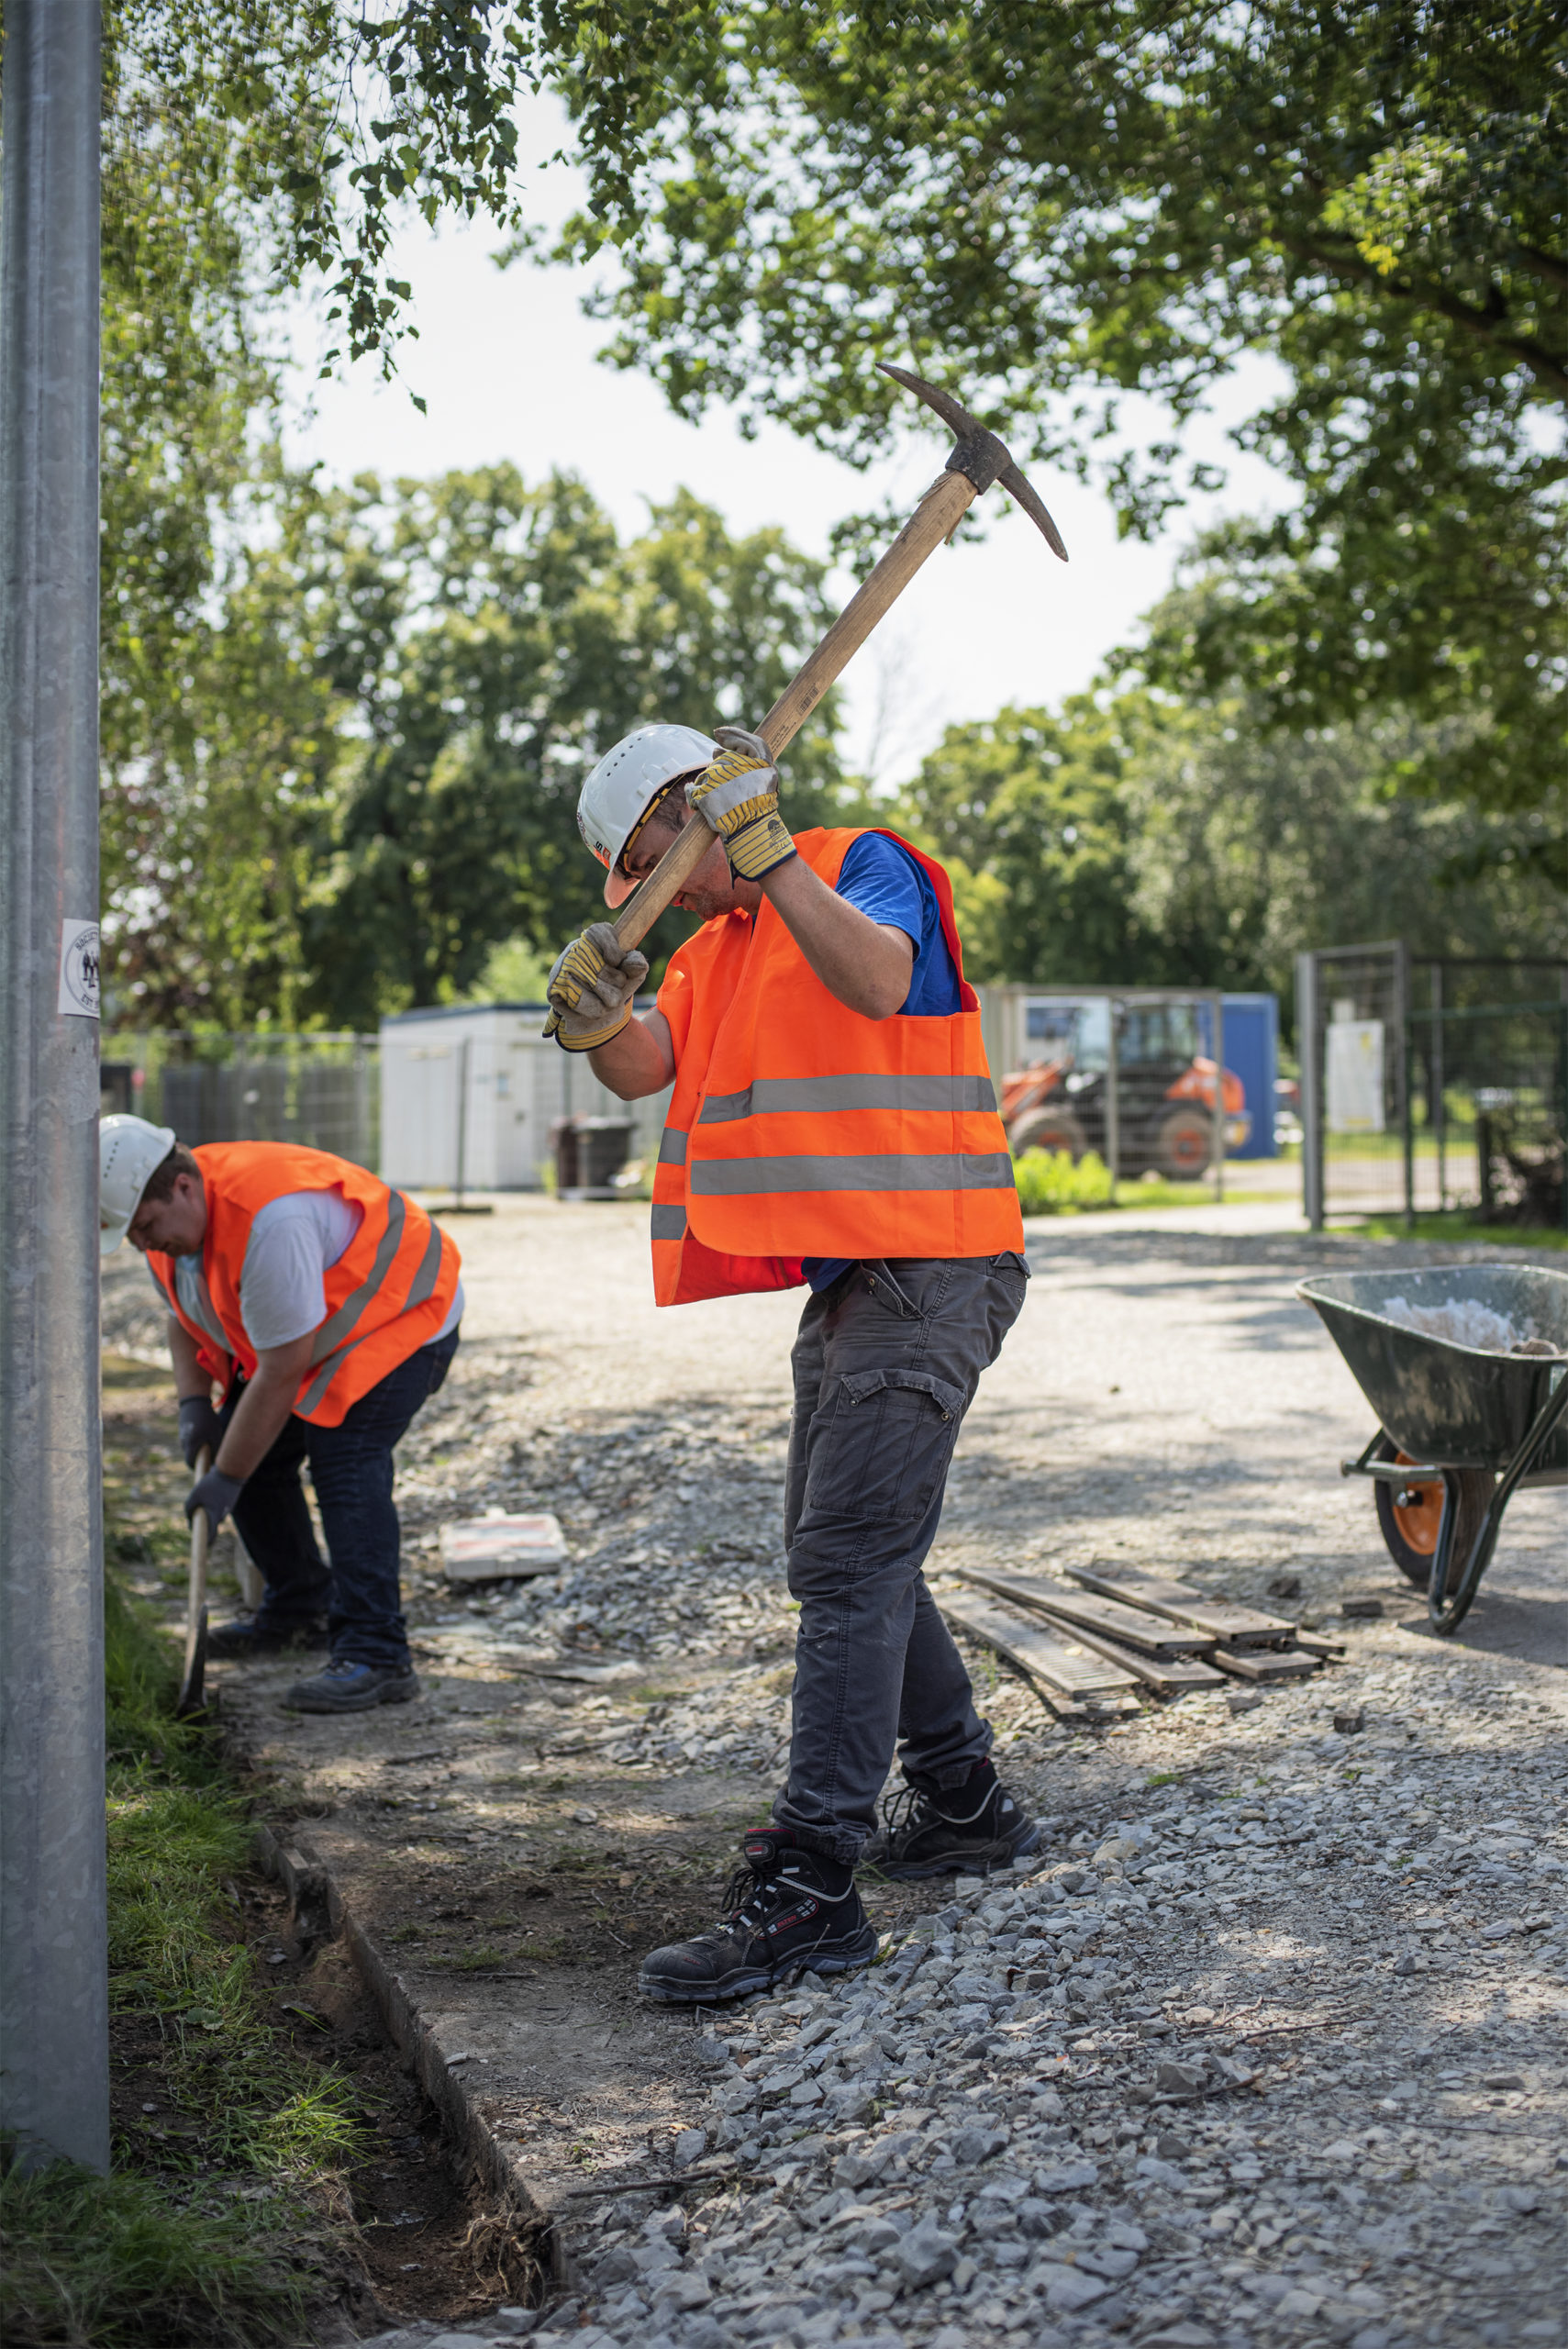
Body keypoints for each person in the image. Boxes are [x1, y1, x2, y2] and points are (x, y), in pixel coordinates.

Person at [546, 721, 1039, 2004]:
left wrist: (773, 864)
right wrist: (598, 1016)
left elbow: (878, 981)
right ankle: (965, 1798)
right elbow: (647, 1065)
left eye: (651, 858)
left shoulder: (856, 867)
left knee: (848, 1561)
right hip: (853, 1279)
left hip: (933, 1261)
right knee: (843, 1549)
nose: (657, 888)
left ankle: (813, 1884)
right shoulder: (720, 949)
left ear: (695, 811)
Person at [99, 1118, 462, 1712]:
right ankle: (298, 1611)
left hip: (400, 1317)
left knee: (343, 1463)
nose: (144, 1245)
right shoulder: (169, 1227)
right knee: (254, 1459)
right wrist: (196, 1409)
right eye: (134, 1235)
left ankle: (377, 1653)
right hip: (313, 1335)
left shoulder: (270, 1219)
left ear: (183, 1187)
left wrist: (226, 1480)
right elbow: (178, 1315)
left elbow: (281, 1371)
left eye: (145, 1227)